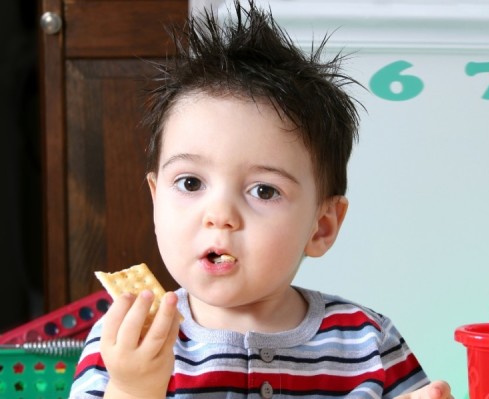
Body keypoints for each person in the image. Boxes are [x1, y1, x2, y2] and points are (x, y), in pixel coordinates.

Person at [70, 1, 453, 398]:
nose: (220, 215)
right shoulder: (125, 342)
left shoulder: (369, 343)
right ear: (155, 201)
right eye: (190, 183)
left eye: (263, 190)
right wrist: (133, 387)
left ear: (321, 227)